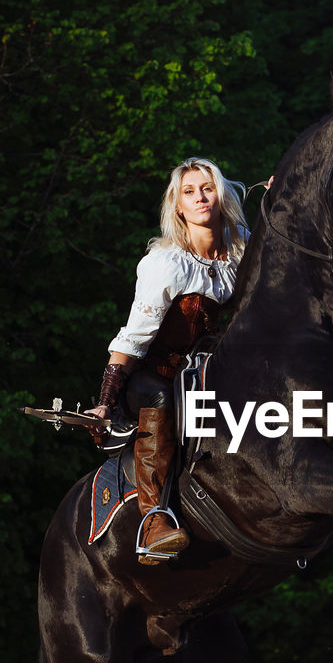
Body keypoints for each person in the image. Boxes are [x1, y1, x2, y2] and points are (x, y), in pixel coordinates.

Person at [86, 158, 249, 565]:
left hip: (213, 373)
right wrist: (105, 400)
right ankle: (154, 517)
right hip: (156, 375)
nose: (199, 198)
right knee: (162, 396)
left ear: (221, 193)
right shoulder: (166, 264)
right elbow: (132, 339)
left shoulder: (243, 247)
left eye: (206, 188)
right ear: (178, 206)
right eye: (189, 192)